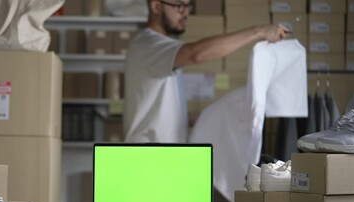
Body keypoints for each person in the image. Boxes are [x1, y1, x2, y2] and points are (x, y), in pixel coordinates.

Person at [123, 0, 288, 143]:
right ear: (156, 6)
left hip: (160, 155)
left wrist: (208, 117)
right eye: (179, 5)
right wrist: (258, 32)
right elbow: (197, 54)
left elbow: (156, 109)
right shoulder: (147, 44)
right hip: (146, 157)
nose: (186, 13)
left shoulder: (161, 48)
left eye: (188, 6)